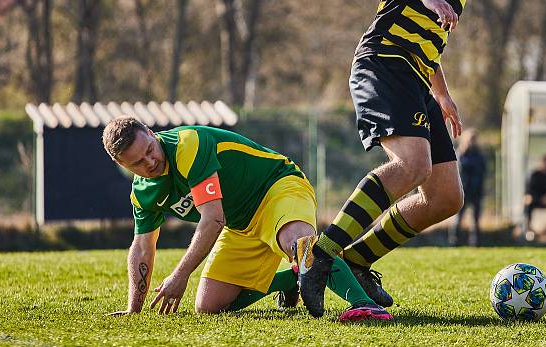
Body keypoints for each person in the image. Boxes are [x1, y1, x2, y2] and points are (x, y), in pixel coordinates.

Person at [295, 0, 525, 317]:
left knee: (446, 197)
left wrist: (443, 94)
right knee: (411, 167)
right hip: (384, 62)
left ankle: (358, 260)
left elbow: (428, 40)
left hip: (416, 76)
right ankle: (318, 255)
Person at [101, 116, 391, 321]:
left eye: (149, 150)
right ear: (120, 164)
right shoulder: (142, 193)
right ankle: (290, 281)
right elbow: (142, 246)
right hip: (240, 224)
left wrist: (180, 275)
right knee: (209, 306)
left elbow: (212, 219)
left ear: (151, 133)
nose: (149, 162)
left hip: (277, 188)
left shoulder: (187, 144)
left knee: (297, 243)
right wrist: (133, 309)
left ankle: (364, 304)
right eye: (137, 162)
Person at [448, 129, 487, 246]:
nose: (472, 142)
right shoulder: (459, 155)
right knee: (458, 219)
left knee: (476, 220)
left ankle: (476, 244)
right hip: (463, 191)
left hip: (476, 192)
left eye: (474, 140)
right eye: (470, 139)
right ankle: (454, 243)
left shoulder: (479, 156)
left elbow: (483, 172)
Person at [523, 154, 546, 241]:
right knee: (528, 204)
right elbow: (529, 191)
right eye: (545, 163)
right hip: (536, 199)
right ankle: (528, 229)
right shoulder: (535, 175)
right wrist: (540, 199)